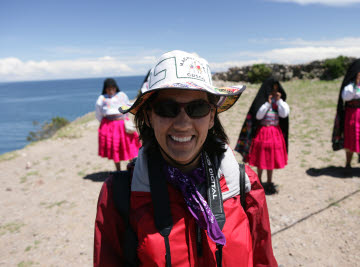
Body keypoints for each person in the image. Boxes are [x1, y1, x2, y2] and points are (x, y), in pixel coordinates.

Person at [94, 50, 278, 266]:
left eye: (197, 108)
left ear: (211, 117)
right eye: (166, 108)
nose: (182, 123)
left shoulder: (243, 183)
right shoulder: (120, 194)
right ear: (149, 117)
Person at [235, 78, 289, 195]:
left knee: (271, 159)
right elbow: (258, 116)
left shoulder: (280, 103)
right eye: (272, 90)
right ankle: (259, 180)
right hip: (263, 133)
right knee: (261, 158)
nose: (274, 92)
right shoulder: (263, 102)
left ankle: (269, 181)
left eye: (276, 90)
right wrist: (267, 104)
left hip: (275, 134)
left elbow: (284, 113)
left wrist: (279, 101)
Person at [95, 78, 141, 171]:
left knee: (128, 146)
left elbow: (128, 107)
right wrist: (106, 123)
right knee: (115, 148)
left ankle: (132, 168)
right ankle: (118, 170)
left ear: (116, 88)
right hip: (110, 126)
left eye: (113, 88)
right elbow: (98, 113)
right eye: (108, 88)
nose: (111, 90)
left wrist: (124, 118)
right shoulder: (102, 98)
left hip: (122, 125)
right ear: (105, 89)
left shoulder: (122, 95)